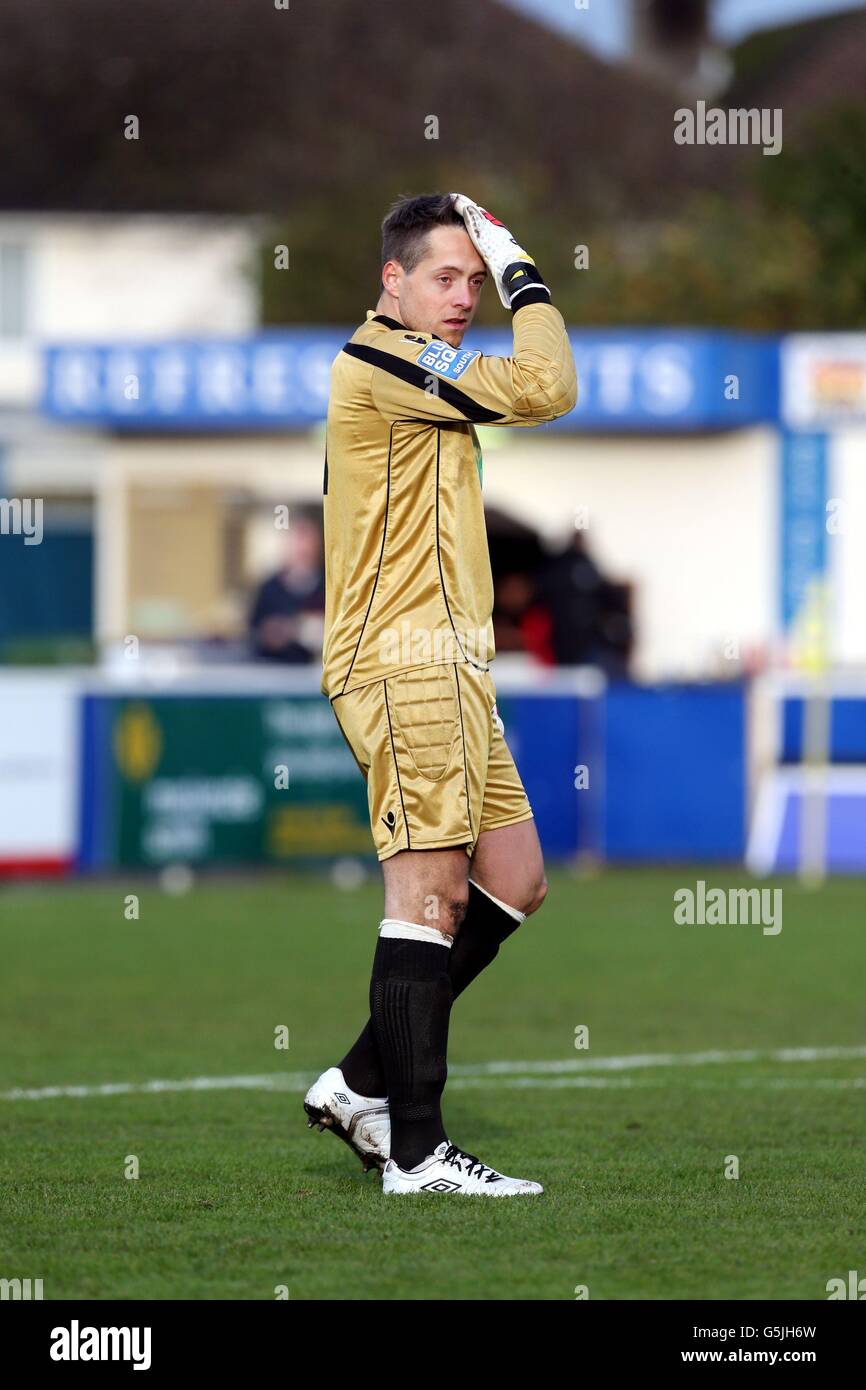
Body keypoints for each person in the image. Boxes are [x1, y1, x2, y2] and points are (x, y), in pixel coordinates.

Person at [304, 192, 576, 1195]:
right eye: (445, 276)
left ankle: (362, 1080)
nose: (463, 297)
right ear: (393, 281)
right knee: (425, 895)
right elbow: (547, 384)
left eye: (474, 278)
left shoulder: (418, 369)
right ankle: (414, 1150)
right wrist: (520, 267)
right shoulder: (383, 357)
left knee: (512, 877)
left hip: (452, 663)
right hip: (401, 658)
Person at [248, 512, 325, 663]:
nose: (302, 548)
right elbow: (255, 632)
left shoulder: (330, 586)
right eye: (297, 541)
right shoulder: (269, 588)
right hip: (277, 671)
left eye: (307, 541)